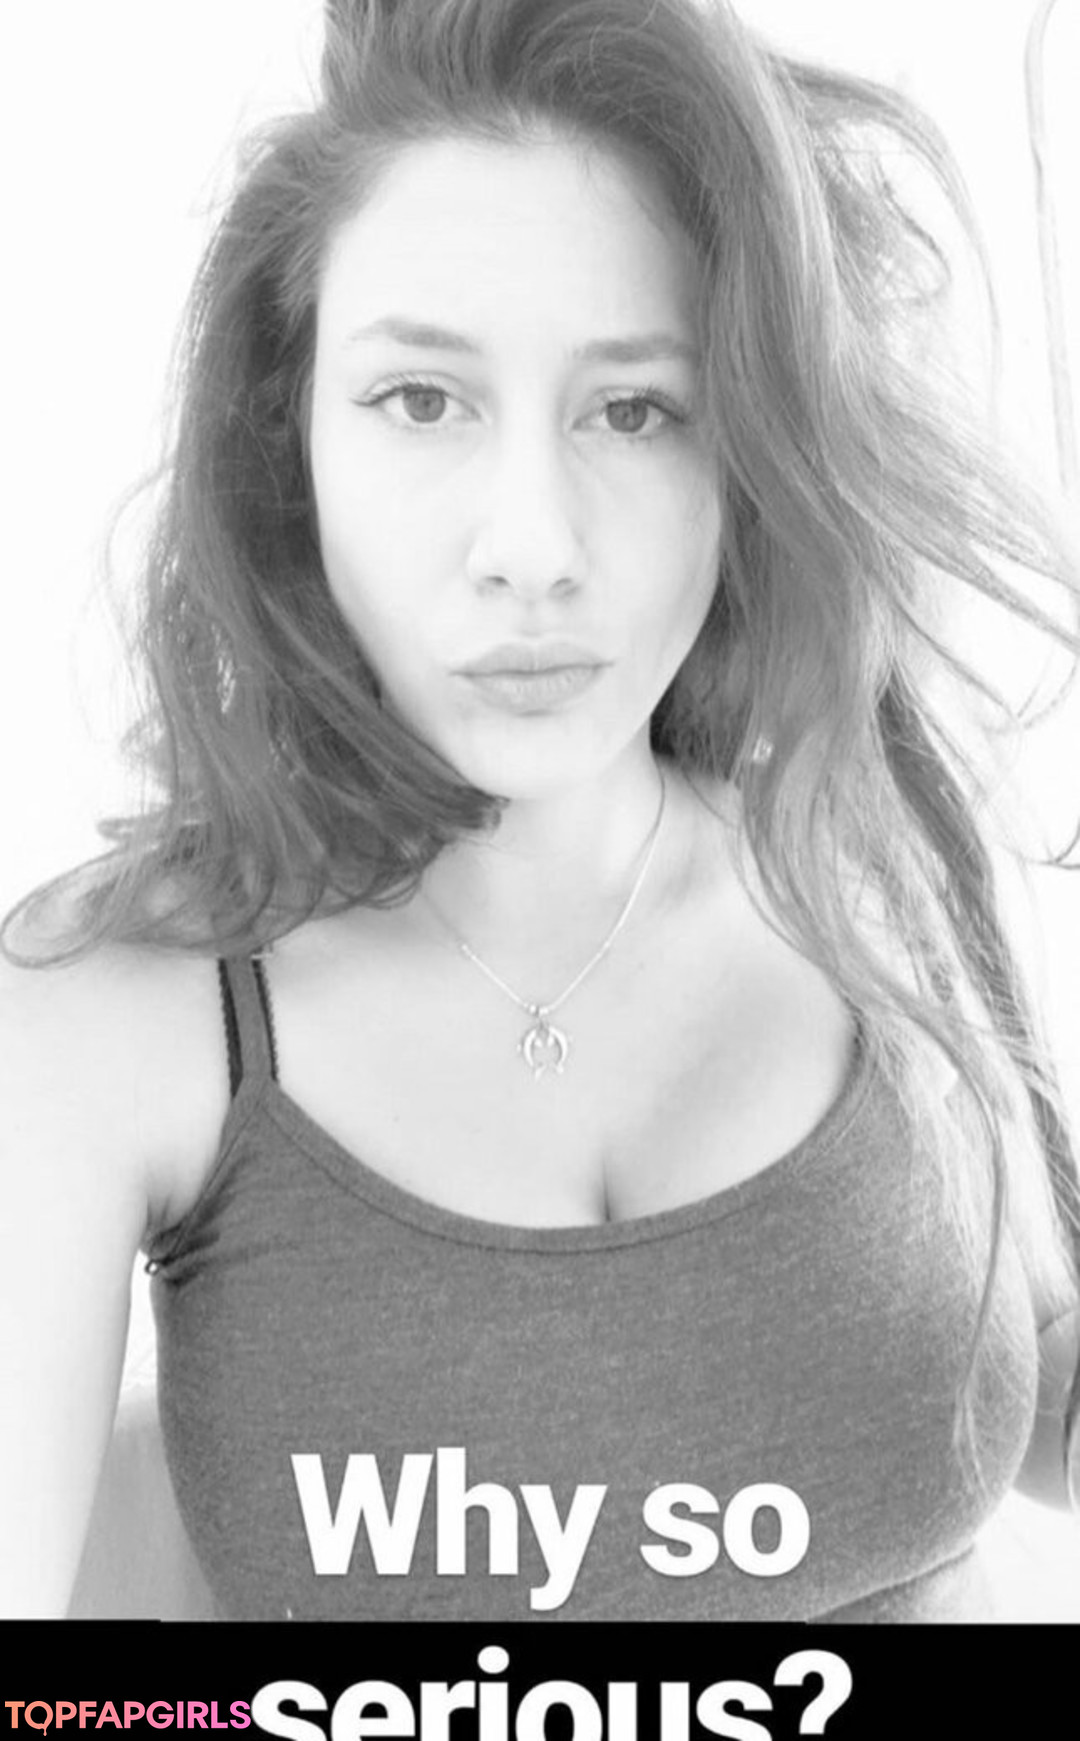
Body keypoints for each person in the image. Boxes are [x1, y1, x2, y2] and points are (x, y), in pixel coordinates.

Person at [2, 0, 1078, 1623]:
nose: (532, 546)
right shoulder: (107, 1013)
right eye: (421, 400)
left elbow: (1025, 1365)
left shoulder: (865, 834)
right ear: (287, 434)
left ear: (746, 453)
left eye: (633, 409)